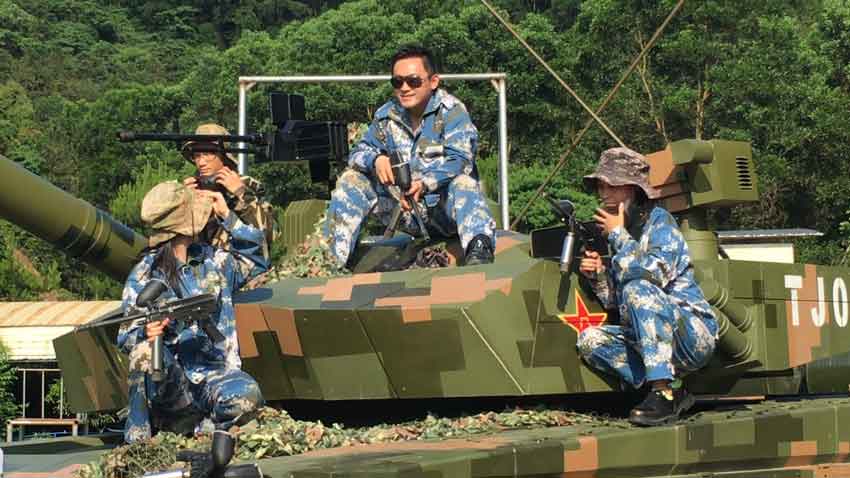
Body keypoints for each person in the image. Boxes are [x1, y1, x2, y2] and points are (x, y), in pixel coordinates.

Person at [575, 147, 717, 426]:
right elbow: (619, 303)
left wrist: (618, 236)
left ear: (632, 189)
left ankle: (663, 392)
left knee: (638, 287)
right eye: (601, 187)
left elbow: (650, 277)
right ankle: (671, 389)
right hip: (648, 339)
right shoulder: (626, 232)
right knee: (590, 340)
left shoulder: (661, 223)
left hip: (691, 336)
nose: (603, 194)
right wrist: (599, 276)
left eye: (611, 186)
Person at [118, 181, 269, 443]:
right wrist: (147, 333)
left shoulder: (213, 261)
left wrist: (228, 217)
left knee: (247, 395)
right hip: (172, 385)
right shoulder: (145, 274)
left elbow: (257, 260)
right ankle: (139, 441)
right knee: (143, 351)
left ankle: (205, 427)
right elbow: (125, 336)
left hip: (215, 374)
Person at [324, 45, 496, 267]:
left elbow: (461, 159)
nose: (404, 88)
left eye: (413, 81)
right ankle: (330, 260)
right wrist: (376, 160)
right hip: (404, 210)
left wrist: (424, 184)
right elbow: (357, 153)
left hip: (444, 211)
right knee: (352, 179)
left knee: (464, 183)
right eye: (397, 82)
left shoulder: (452, 112)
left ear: (433, 81)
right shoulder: (386, 116)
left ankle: (479, 251)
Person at [182, 123, 277, 259]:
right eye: (197, 155)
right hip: (201, 266)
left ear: (224, 156)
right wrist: (181, 204)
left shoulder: (248, 186)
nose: (201, 162)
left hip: (242, 264)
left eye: (207, 154)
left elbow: (270, 235)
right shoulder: (191, 189)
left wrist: (241, 194)